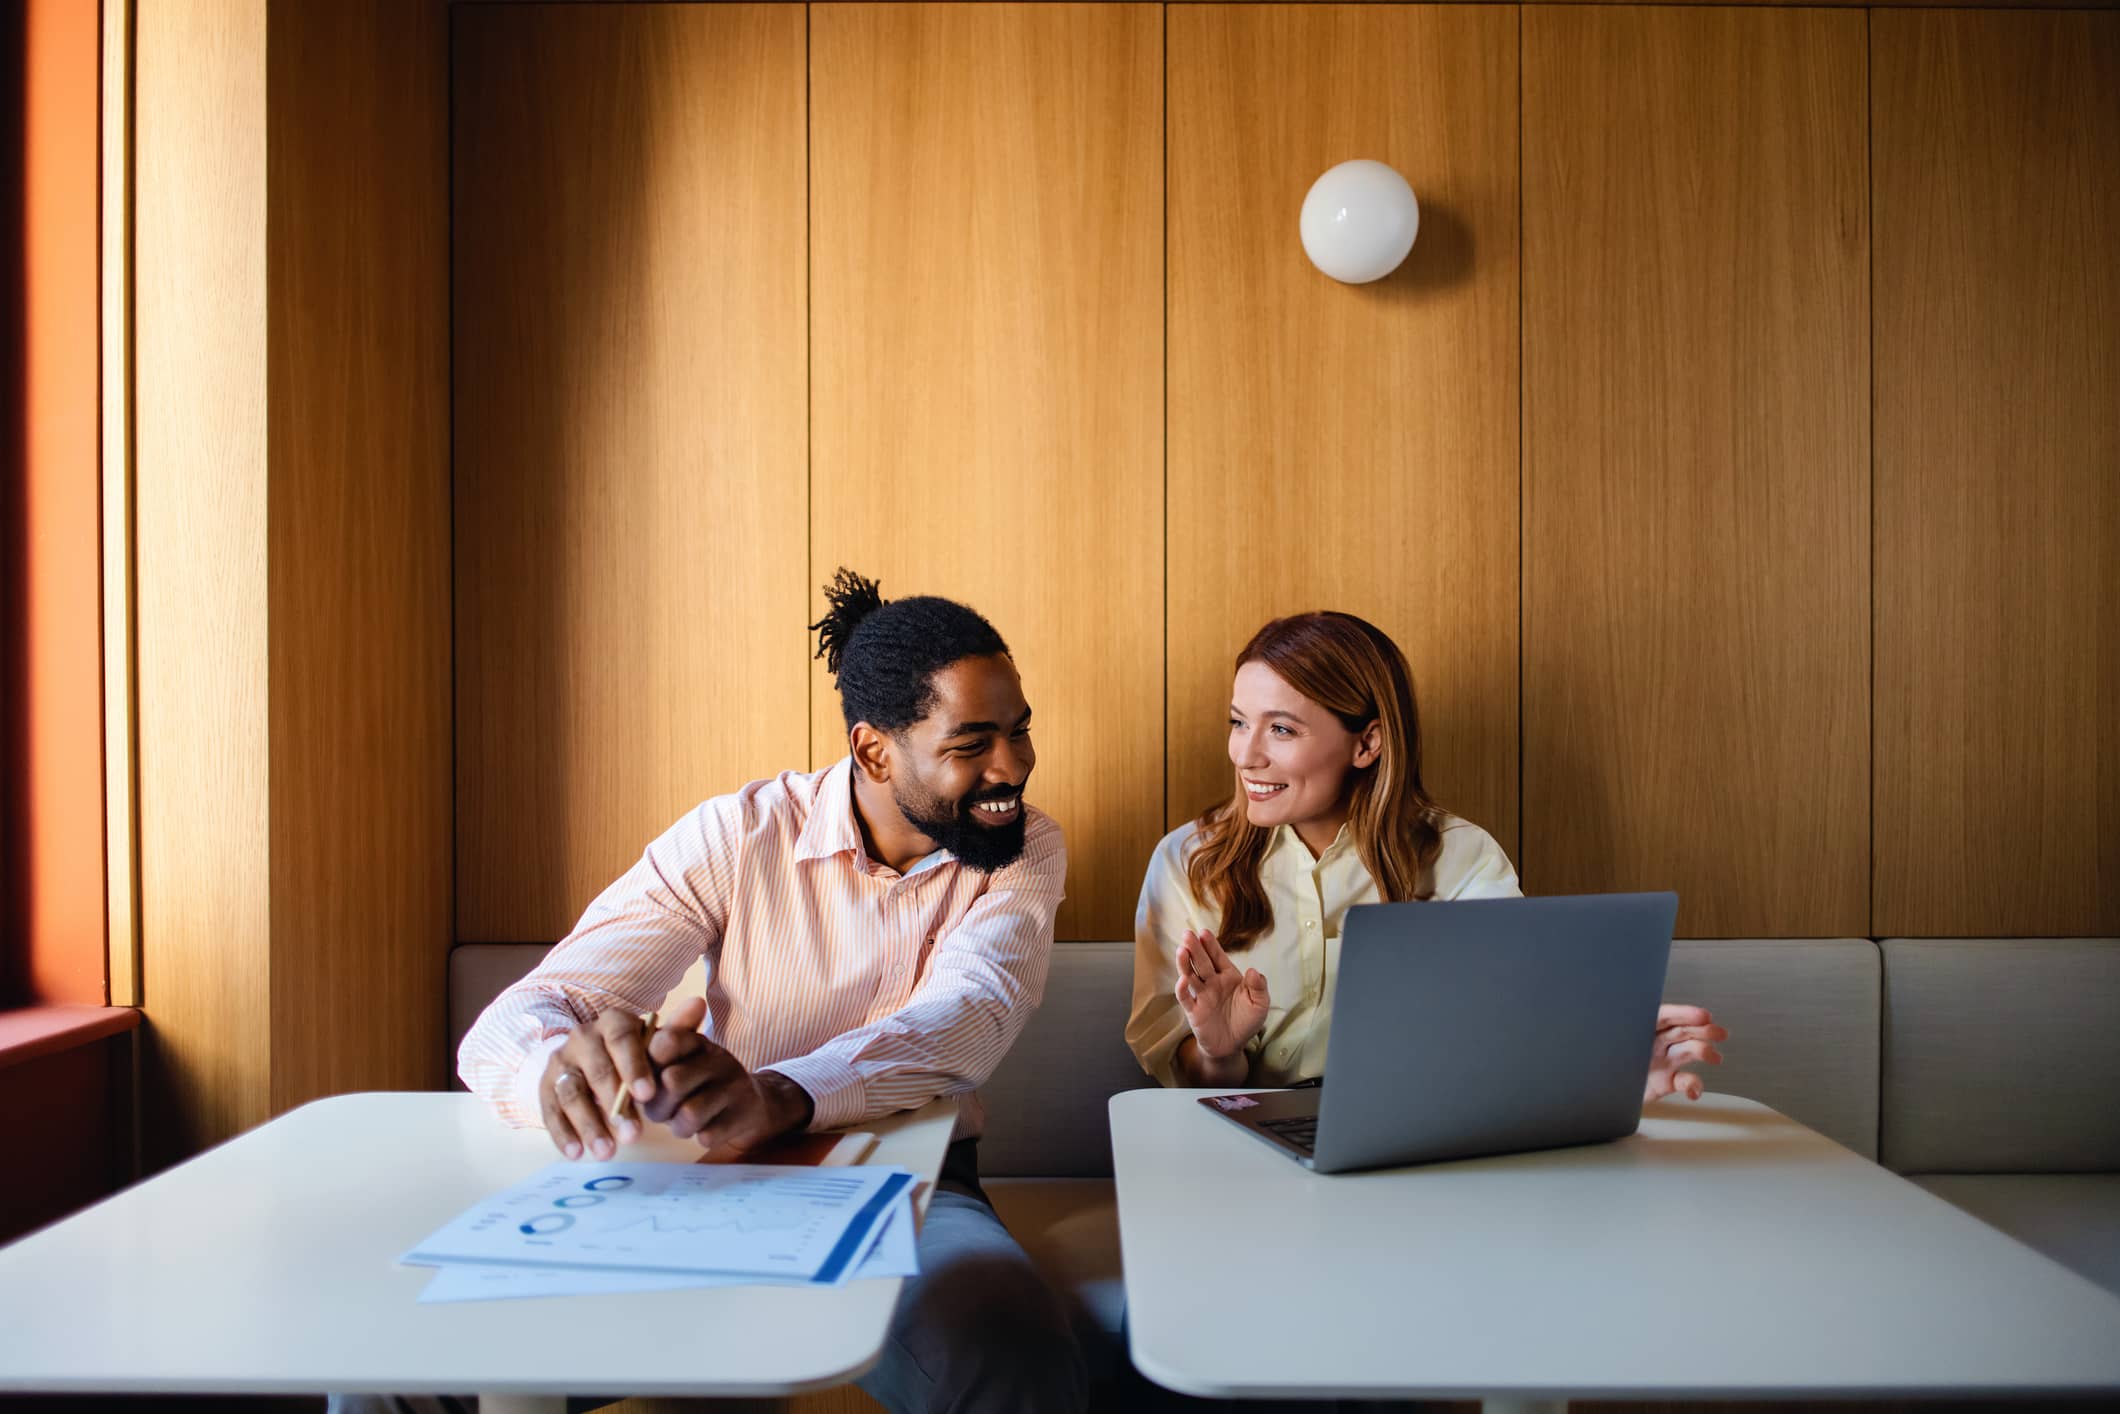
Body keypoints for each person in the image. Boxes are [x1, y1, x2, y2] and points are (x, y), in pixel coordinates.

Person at [334, 569, 1086, 1414]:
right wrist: (563, 1074)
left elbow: (968, 1015)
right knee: (386, 1367)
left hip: (916, 1185)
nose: (1012, 765)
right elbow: (514, 1019)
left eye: (1020, 732)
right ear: (874, 749)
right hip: (707, 1179)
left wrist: (779, 1095)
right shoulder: (740, 833)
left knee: (1007, 1341)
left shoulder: (1025, 849)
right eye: (971, 742)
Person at [1128, 610, 1725, 1099]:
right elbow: (1186, 1079)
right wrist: (1219, 1050)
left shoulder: (1461, 859)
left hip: (1413, 1135)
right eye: (1238, 722)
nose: (1246, 754)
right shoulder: (1189, 860)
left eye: (1281, 729)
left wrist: (1609, 1070)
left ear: (1367, 743)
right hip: (1238, 1143)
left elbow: (1518, 1021)